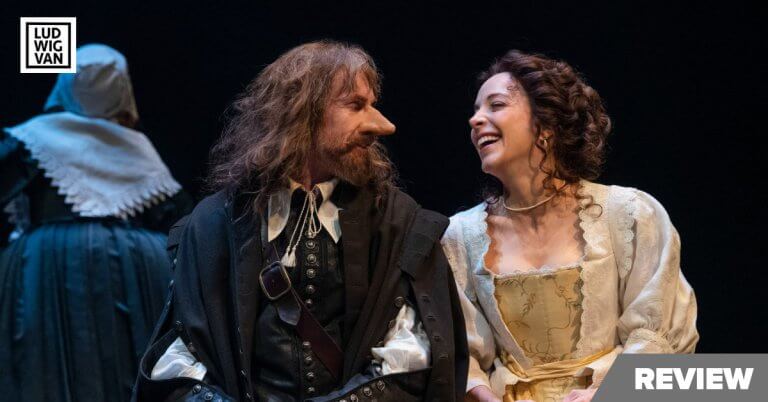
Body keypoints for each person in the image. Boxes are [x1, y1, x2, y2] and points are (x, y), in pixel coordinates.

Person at [132, 40, 468, 402]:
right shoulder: (214, 224)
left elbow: (413, 354)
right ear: (301, 112)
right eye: (356, 105)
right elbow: (180, 358)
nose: (381, 125)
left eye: (373, 105)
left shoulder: (396, 222)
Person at [441, 50, 699, 402]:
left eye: (496, 105)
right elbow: (459, 352)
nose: (475, 119)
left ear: (546, 124)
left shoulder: (628, 214)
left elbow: (660, 336)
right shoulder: (460, 236)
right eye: (475, 110)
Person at [0, 44, 192, 402]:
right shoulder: (138, 150)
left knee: (44, 367)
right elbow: (180, 220)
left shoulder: (29, 140)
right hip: (137, 266)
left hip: (46, 267)